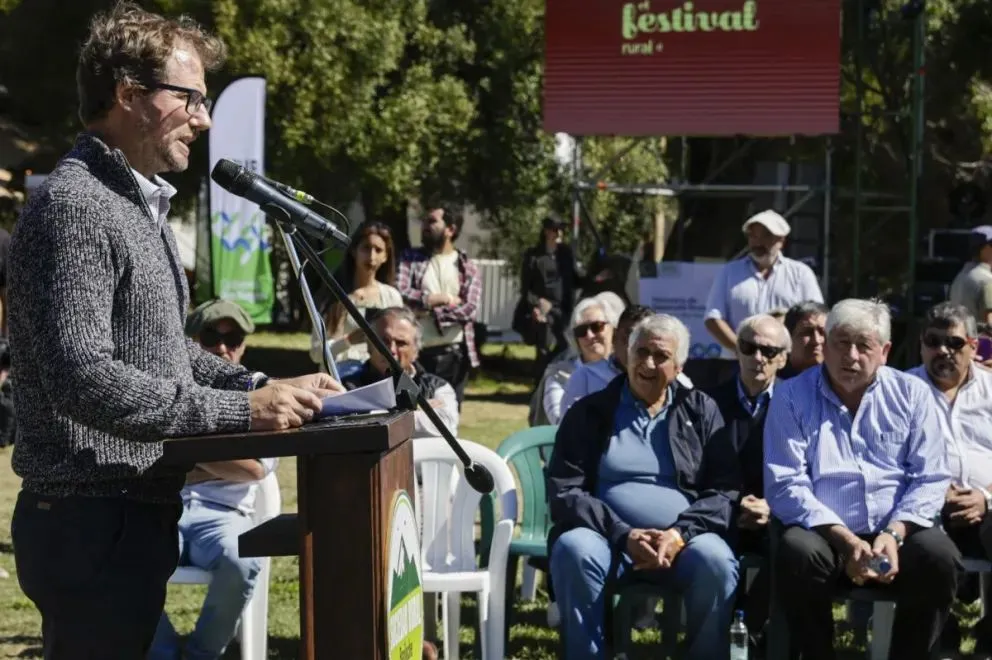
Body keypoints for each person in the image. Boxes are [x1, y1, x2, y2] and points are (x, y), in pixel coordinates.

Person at [6, 5, 341, 656]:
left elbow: (161, 352)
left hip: (128, 513)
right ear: (129, 96)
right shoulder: (77, 206)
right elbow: (85, 379)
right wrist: (241, 407)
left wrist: (264, 382)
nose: (205, 119)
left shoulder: (137, 204)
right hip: (88, 518)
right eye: (190, 98)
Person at [765, 299, 960, 660]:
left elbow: (930, 477)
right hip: (824, 533)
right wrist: (845, 540)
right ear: (825, 344)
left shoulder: (912, 394)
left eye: (863, 345)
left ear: (884, 351)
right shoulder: (791, 396)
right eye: (841, 343)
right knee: (797, 551)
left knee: (940, 556)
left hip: (898, 533)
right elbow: (785, 483)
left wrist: (893, 533)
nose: (851, 356)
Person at [547, 314, 740, 660]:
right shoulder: (590, 412)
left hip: (684, 541)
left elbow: (725, 489)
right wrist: (623, 535)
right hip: (607, 538)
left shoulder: (700, 411)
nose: (648, 363)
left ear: (679, 365)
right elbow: (565, 491)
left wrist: (679, 533)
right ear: (626, 355)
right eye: (641, 351)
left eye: (661, 355)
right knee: (573, 548)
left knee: (717, 562)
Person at [151, 298, 276, 660]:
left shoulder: (260, 395)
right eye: (210, 338)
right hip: (162, 509)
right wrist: (222, 459)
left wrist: (183, 455)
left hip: (223, 516)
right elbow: (146, 457)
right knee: (120, 554)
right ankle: (160, 652)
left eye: (233, 339)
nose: (222, 349)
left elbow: (256, 469)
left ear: (244, 345)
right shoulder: (165, 393)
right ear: (191, 344)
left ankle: (202, 654)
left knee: (242, 561)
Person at [907, 302, 992, 655]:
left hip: (986, 509)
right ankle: (937, 640)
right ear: (922, 345)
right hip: (923, 510)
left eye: (955, 343)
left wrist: (986, 497)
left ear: (975, 345)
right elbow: (883, 461)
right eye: (933, 340)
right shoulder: (898, 391)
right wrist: (934, 492)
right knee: (927, 547)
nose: (943, 350)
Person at [704, 314, 790, 650]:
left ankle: (748, 634)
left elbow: (809, 471)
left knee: (793, 548)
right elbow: (696, 471)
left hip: (776, 514)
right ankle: (722, 637)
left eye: (769, 351)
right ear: (736, 350)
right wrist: (732, 505)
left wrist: (772, 507)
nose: (757, 357)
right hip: (720, 511)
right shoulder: (706, 403)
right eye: (749, 347)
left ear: (782, 359)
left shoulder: (797, 404)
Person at [703, 210, 823, 386]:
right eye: (753, 236)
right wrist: (745, 349)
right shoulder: (729, 272)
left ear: (782, 240)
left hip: (786, 363)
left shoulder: (801, 274)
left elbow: (816, 317)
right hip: (735, 364)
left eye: (766, 236)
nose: (757, 242)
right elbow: (713, 318)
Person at [397, 206, 481, 408]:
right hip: (418, 355)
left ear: (450, 229)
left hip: (456, 355)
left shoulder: (467, 265)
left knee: (450, 415)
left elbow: (470, 309)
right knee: (415, 414)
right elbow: (401, 293)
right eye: (425, 221)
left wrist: (428, 310)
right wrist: (440, 299)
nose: (425, 225)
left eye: (432, 221)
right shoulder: (410, 258)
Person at [559, 304, 693, 420]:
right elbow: (567, 430)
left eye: (644, 343)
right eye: (628, 338)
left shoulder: (678, 383)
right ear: (615, 337)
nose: (632, 348)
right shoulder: (585, 377)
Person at [342, 307, 459, 438]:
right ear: (369, 346)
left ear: (415, 351)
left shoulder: (436, 386)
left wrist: (378, 414)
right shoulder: (348, 388)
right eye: (383, 341)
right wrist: (415, 410)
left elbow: (445, 426)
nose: (391, 350)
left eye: (401, 343)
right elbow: (355, 430)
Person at [311, 221, 403, 379]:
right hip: (338, 378)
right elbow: (316, 353)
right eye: (366, 248)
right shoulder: (333, 295)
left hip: (378, 379)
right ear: (354, 251)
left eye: (378, 250)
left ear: (386, 256)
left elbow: (402, 342)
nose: (372, 256)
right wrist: (347, 341)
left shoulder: (391, 296)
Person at [531, 296, 615, 426]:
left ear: (613, 328)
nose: (590, 335)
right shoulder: (559, 375)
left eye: (596, 326)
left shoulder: (628, 370)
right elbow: (561, 422)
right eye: (581, 331)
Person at [516, 216, 581, 378]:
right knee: (544, 349)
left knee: (567, 346)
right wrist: (537, 304)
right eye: (555, 229)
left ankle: (552, 376)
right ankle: (540, 386)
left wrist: (596, 276)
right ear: (546, 232)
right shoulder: (534, 257)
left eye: (561, 229)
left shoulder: (566, 255)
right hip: (543, 313)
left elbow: (577, 278)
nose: (559, 233)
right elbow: (526, 289)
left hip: (563, 311)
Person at [950, 225, 992, 326]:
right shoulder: (987, 280)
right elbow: (990, 322)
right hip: (981, 341)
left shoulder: (960, 277)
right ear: (985, 249)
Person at [779, 300, 829, 379]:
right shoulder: (774, 386)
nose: (816, 340)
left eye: (822, 332)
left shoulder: (841, 384)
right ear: (789, 338)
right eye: (807, 332)